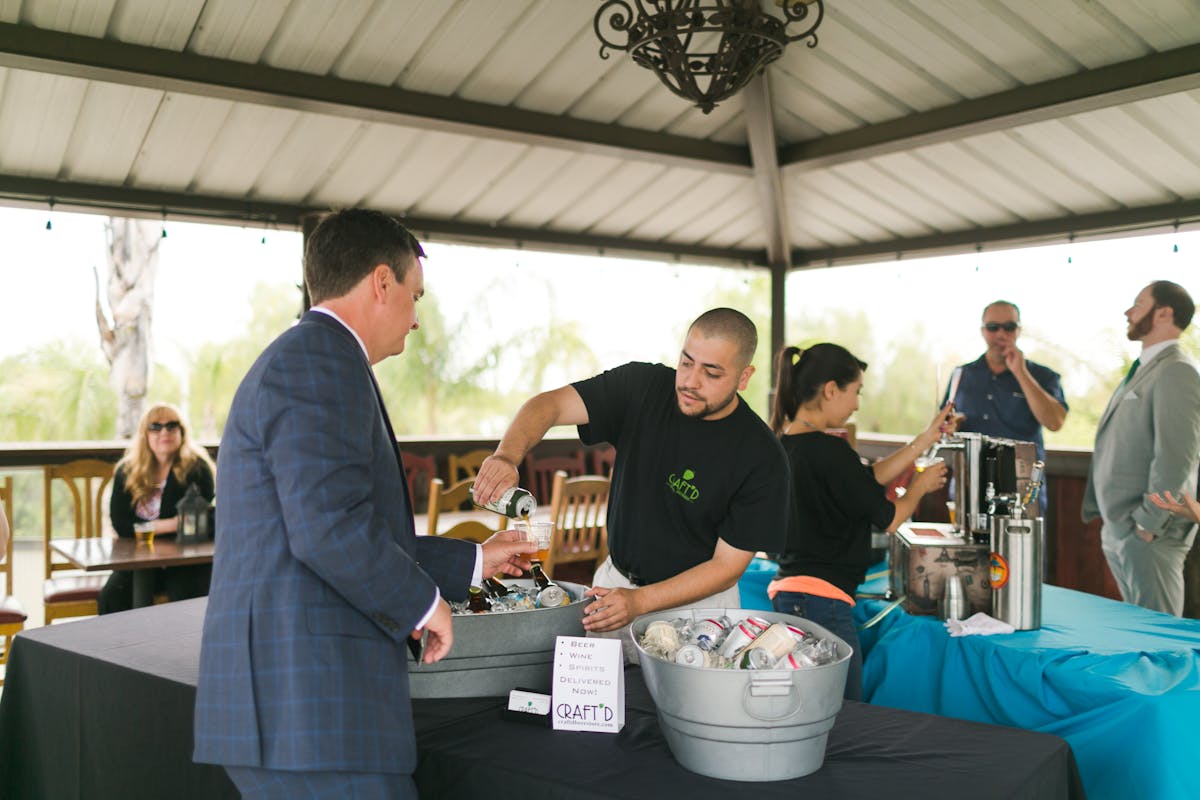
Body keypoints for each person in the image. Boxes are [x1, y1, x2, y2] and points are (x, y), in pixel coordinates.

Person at [193, 208, 534, 799]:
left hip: (301, 711)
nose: (417, 318)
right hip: (309, 708)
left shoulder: (314, 356)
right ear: (381, 282)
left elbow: (351, 525)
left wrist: (477, 561)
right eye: (414, 296)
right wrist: (422, 603)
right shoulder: (320, 361)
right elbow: (327, 527)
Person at [472, 308, 791, 659]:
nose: (690, 381)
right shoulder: (642, 387)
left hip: (698, 612)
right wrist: (506, 456)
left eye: (712, 373)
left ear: (744, 377)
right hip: (614, 587)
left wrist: (641, 601)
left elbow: (726, 568)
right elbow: (550, 405)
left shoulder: (762, 456)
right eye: (686, 362)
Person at [768, 344, 952, 700]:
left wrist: (926, 438)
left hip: (789, 595)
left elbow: (864, 480)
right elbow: (890, 519)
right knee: (845, 710)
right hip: (822, 602)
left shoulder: (787, 444)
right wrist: (920, 485)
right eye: (855, 392)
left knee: (805, 705)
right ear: (831, 390)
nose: (855, 404)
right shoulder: (830, 451)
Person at [1084, 280, 1200, 617]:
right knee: (1139, 629)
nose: (1128, 312)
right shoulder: (1146, 369)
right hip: (1122, 527)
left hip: (1151, 531)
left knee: (1159, 633)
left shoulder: (1177, 371)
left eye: (1138, 304)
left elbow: (1176, 456)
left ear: (1163, 313)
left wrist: (1148, 525)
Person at [944, 301, 1067, 513]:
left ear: (1019, 330)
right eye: (993, 327)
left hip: (1022, 491)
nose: (1001, 334)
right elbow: (943, 423)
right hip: (969, 486)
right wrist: (955, 423)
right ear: (983, 331)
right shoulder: (961, 375)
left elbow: (1055, 422)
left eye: (1008, 327)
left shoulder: (1043, 376)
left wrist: (1020, 372)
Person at [98, 403, 215, 614]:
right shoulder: (127, 470)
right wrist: (171, 524)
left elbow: (199, 521)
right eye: (155, 427)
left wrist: (143, 527)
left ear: (182, 432)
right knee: (112, 597)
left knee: (184, 599)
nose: (164, 432)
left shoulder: (198, 468)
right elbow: (121, 525)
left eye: (172, 426)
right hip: (136, 560)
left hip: (185, 560)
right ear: (145, 434)